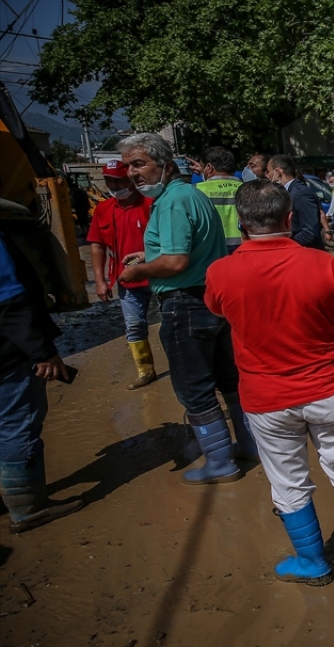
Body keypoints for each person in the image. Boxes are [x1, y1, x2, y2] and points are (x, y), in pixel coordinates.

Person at [205, 180, 334, 585]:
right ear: (289, 217)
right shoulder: (323, 264)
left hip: (266, 399)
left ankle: (314, 563)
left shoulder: (220, 272)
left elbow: (218, 311)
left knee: (288, 481)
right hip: (328, 389)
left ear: (241, 223)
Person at [117, 132, 255, 485]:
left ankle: (220, 462)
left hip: (184, 303)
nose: (133, 173)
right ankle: (249, 445)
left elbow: (176, 261)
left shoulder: (172, 202)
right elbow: (190, 247)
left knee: (195, 387)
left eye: (139, 164)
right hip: (211, 300)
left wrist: (139, 271)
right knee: (229, 380)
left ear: (166, 165)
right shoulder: (191, 195)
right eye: (129, 166)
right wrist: (149, 255)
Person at [0, 229, 85, 533]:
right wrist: (42, 352)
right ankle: (28, 508)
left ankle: (10, 493)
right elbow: (8, 301)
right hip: (8, 355)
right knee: (17, 425)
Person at [87, 159, 158, 390]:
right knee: (134, 326)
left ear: (130, 179)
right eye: (109, 181)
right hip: (126, 280)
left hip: (158, 275)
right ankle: (145, 371)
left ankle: (183, 367)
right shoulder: (103, 209)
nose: (114, 186)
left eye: (118, 181)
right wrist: (100, 281)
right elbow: (97, 246)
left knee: (172, 323)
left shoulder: (150, 204)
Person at [269, 155, 325, 250]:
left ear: (277, 172)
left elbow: (309, 233)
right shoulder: (289, 192)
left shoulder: (301, 194)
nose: (267, 176)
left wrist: (283, 244)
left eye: (268, 171)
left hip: (307, 253)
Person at [195, 146, 244, 255]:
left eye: (202, 167)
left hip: (210, 250)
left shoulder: (196, 190)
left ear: (209, 168)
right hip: (242, 248)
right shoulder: (248, 189)